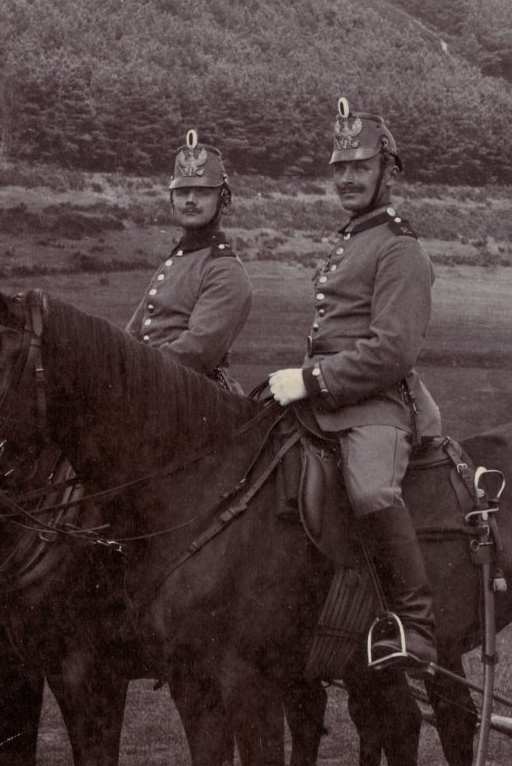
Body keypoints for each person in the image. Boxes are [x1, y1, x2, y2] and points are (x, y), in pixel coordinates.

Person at [266, 98, 445, 667]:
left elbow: (391, 352)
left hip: (377, 406)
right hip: (324, 404)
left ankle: (415, 625)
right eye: (338, 168)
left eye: (359, 167)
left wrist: (311, 380)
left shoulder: (400, 249)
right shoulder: (349, 240)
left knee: (370, 489)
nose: (346, 178)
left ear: (387, 171)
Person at [127, 130, 253, 383]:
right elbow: (132, 335)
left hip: (194, 395)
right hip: (152, 384)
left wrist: (134, 373)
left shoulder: (225, 269)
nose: (191, 201)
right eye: (183, 192)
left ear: (224, 201)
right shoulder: (175, 262)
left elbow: (198, 352)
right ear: (172, 200)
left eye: (203, 192)